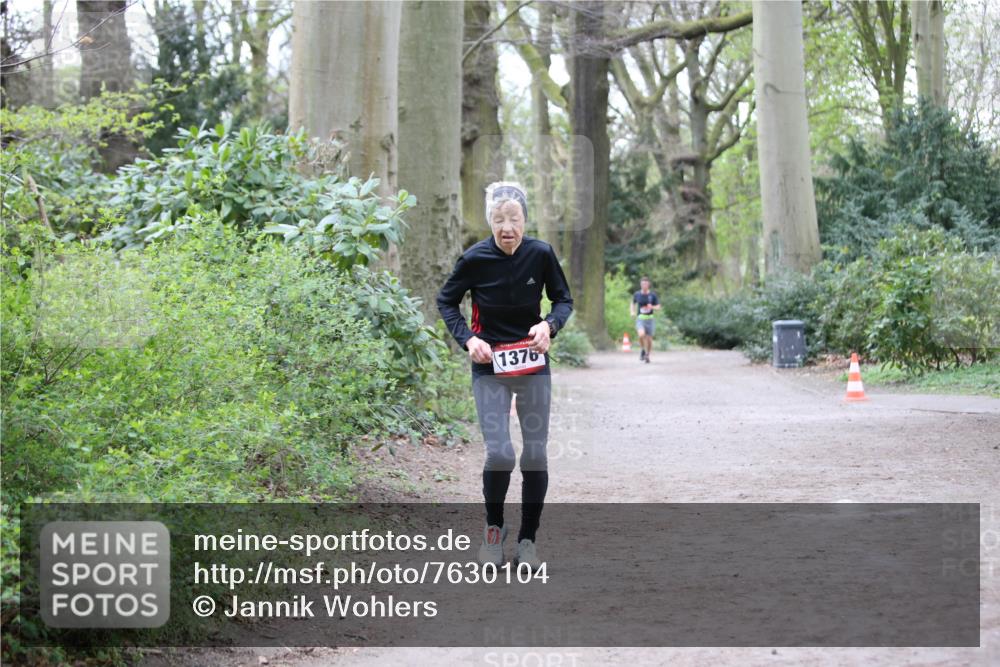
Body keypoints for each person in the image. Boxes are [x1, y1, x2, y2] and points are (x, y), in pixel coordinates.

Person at [436, 181, 573, 570]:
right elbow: (446, 300)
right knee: (499, 454)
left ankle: (528, 539)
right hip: (489, 367)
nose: (507, 226)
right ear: (491, 223)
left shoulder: (541, 254)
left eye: (514, 218)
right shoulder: (474, 259)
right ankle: (493, 530)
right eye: (499, 219)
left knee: (534, 453)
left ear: (525, 221)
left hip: (532, 364)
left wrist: (549, 326)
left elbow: (563, 299)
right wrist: (468, 339)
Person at [629, 276, 660, 363]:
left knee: (649, 339)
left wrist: (652, 306)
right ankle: (643, 349)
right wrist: (632, 312)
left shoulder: (653, 295)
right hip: (640, 319)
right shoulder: (637, 294)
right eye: (642, 284)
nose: (644, 286)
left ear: (648, 284)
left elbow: (658, 307)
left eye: (646, 284)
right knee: (641, 335)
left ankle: (647, 355)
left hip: (650, 320)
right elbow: (632, 303)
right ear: (640, 285)